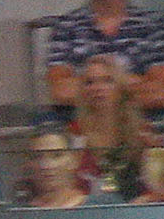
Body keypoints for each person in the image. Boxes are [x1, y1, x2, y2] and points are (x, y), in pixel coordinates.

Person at [67, 52, 156, 199]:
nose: (97, 88)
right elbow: (68, 187)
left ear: (121, 88)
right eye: (90, 82)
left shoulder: (141, 133)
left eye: (107, 80)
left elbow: (156, 186)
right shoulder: (75, 133)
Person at [12, 127, 112, 208]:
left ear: (74, 160)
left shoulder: (99, 208)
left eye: (57, 155)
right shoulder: (19, 213)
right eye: (37, 157)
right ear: (28, 164)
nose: (46, 165)